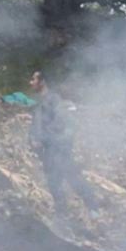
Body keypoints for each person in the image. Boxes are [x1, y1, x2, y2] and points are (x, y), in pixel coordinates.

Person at [28, 71, 98, 213]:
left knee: (75, 181)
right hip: (47, 153)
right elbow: (37, 126)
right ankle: (63, 218)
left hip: (58, 151)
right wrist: (32, 139)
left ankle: (94, 212)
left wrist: (47, 140)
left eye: (33, 79)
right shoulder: (39, 103)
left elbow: (64, 124)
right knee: (54, 185)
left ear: (42, 82)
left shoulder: (54, 100)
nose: (30, 82)